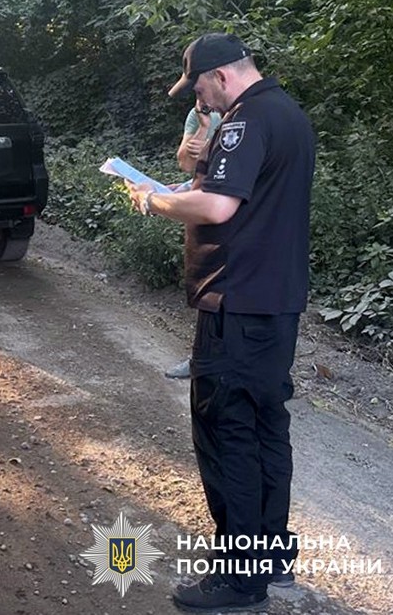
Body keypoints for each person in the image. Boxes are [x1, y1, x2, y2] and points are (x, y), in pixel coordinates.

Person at [127, 33, 315, 612]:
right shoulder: (288, 114)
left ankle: (239, 580)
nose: (199, 100)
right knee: (265, 427)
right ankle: (272, 556)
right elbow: (239, 194)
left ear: (221, 75)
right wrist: (185, 186)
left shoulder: (244, 121)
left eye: (200, 88)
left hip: (235, 303)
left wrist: (152, 200)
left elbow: (217, 206)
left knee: (227, 433)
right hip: (276, 302)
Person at [166, 102, 224, 380]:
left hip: (232, 214)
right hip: (205, 213)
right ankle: (200, 360)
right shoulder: (200, 115)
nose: (199, 96)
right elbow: (186, 164)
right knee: (207, 286)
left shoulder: (247, 115)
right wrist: (203, 127)